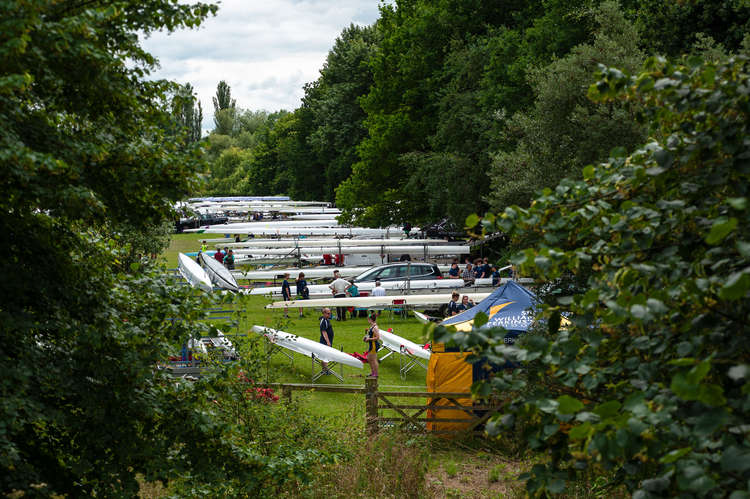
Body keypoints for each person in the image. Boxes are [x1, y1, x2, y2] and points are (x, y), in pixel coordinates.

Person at [363, 313, 380, 378]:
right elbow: (371, 335)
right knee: (369, 358)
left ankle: (375, 374)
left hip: (374, 345)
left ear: (370, 319)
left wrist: (369, 339)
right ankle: (373, 372)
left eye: (368, 319)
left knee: (373, 359)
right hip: (371, 344)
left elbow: (377, 337)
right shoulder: (372, 326)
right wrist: (366, 337)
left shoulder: (375, 327)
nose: (367, 321)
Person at [319, 308, 334, 373]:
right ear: (324, 313)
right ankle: (325, 370)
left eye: (330, 313)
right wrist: (328, 342)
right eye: (328, 313)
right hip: (324, 341)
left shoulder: (326, 320)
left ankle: (324, 369)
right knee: (325, 356)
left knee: (325, 355)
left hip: (327, 340)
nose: (329, 315)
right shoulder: (324, 321)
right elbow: (324, 332)